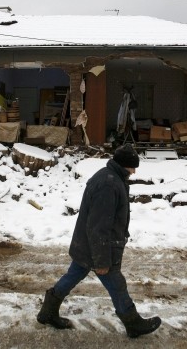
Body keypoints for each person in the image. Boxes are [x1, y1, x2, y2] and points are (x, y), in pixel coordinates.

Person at [37, 144, 161, 338]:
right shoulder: (108, 184)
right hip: (99, 247)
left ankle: (48, 311)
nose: (134, 171)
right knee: (116, 284)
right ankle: (133, 323)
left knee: (73, 275)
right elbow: (99, 226)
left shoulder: (110, 177)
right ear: (123, 165)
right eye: (132, 167)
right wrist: (102, 261)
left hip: (88, 245)